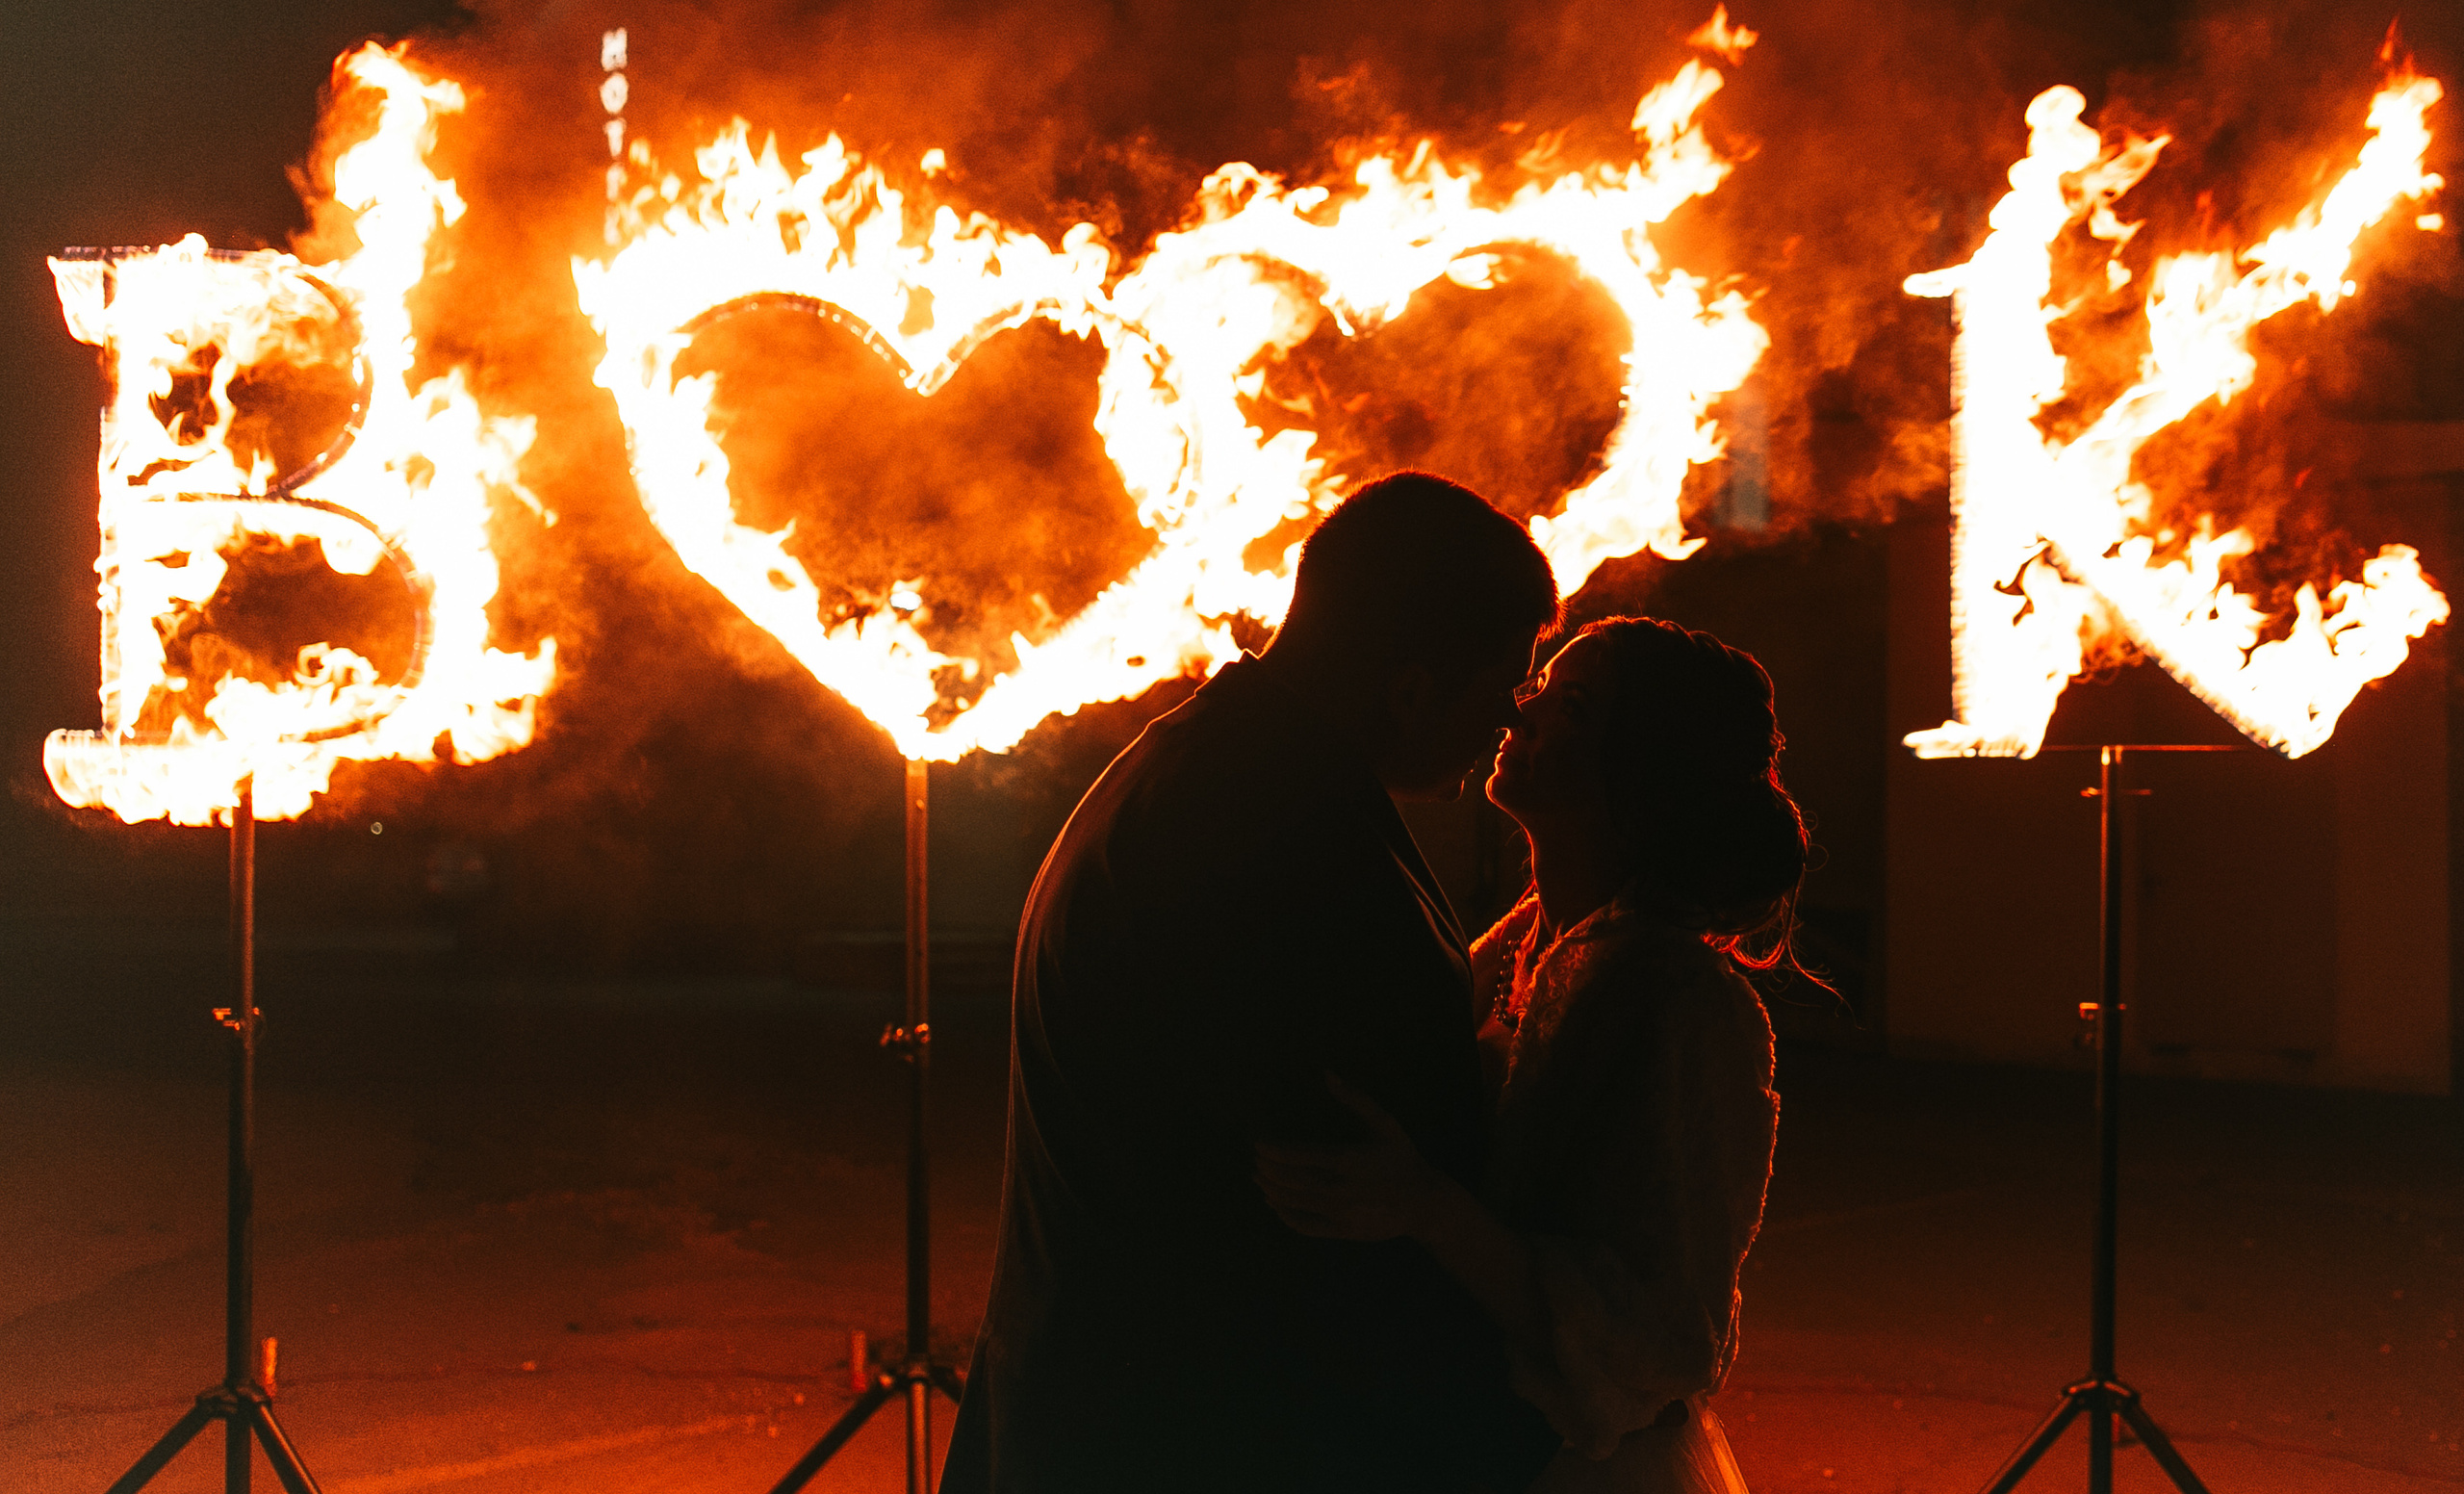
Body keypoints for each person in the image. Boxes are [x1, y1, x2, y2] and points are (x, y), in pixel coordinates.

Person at [940, 473, 1566, 1493]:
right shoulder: (1280, 827)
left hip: (1110, 1410)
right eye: (1501, 687)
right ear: (1410, 686)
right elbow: (1341, 1193)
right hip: (1198, 1434)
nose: (1510, 722)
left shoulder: (1203, 763)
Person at [1256, 616, 1808, 1494]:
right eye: (1538, 690)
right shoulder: (1517, 951)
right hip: (1455, 1432)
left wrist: (1426, 1207)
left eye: (1573, 707)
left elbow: (1664, 1332)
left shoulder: (1684, 1003)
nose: (1520, 718)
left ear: (1645, 768)